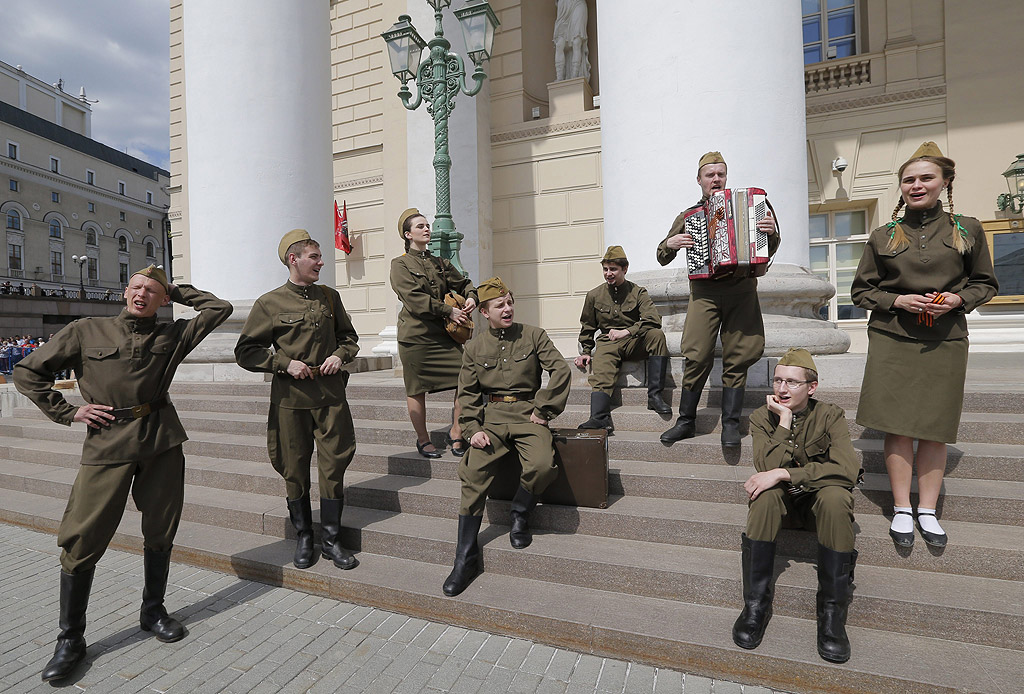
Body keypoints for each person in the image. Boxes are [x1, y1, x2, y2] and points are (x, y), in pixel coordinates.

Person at [14, 265, 232, 682]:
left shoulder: (173, 335)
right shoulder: (86, 330)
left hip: (161, 441)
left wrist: (175, 289)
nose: (142, 295)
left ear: (161, 298)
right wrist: (69, 411)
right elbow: (28, 372)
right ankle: (70, 639)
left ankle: (153, 611)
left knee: (161, 529)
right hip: (107, 442)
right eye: (136, 287)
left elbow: (217, 308)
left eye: (152, 290)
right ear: (123, 292)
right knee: (83, 535)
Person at [851, 142, 998, 549]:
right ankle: (901, 508)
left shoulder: (967, 229)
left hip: (945, 338)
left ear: (945, 182)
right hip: (892, 337)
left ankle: (927, 511)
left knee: (934, 427)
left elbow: (985, 282)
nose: (916, 186)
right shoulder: (884, 235)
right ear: (900, 188)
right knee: (897, 427)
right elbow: (862, 291)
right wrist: (896, 300)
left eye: (926, 178)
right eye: (908, 180)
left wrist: (958, 299)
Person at [235, 229, 361, 572]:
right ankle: (304, 536)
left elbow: (350, 338)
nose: (321, 263)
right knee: (294, 468)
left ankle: (333, 539)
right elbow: (245, 351)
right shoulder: (269, 303)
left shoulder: (330, 298)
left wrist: (340, 354)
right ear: (294, 259)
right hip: (291, 400)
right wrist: (283, 363)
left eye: (319, 257)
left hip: (331, 396)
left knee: (333, 466)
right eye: (314, 257)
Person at [442, 277, 571, 597]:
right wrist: (472, 430)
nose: (507, 308)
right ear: (484, 312)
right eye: (499, 305)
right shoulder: (474, 347)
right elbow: (468, 394)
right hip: (493, 419)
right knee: (472, 472)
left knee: (542, 465)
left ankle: (520, 513)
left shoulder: (534, 335)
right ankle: (465, 557)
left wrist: (544, 410)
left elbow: (561, 371)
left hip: (529, 413)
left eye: (510, 302)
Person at [732, 349, 860, 664]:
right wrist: (785, 421)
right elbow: (765, 465)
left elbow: (847, 469)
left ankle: (831, 611)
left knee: (836, 496)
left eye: (792, 382)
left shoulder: (830, 415)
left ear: (811, 387)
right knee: (764, 495)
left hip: (819, 506)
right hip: (782, 507)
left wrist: (787, 473)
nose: (782, 389)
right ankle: (756, 605)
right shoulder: (762, 417)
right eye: (777, 380)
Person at [658, 151, 780, 446]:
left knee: (738, 356)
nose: (716, 179)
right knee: (696, 354)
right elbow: (662, 256)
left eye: (720, 174)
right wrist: (669, 243)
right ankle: (686, 420)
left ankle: (730, 424)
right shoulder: (688, 216)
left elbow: (770, 246)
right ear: (699, 180)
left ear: (726, 177)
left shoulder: (754, 205)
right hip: (705, 292)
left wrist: (771, 233)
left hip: (742, 291)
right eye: (710, 175)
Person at [390, 208, 477, 458]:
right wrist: (448, 311)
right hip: (415, 337)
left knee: (466, 377)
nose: (427, 229)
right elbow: (414, 299)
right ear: (408, 235)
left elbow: (465, 284)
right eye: (420, 227)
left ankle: (457, 431)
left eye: (427, 225)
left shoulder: (440, 262)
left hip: (442, 336)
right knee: (416, 388)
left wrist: (472, 298)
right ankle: (423, 440)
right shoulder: (400, 265)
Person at [575, 245, 671, 432]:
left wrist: (628, 331)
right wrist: (586, 351)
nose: (608, 273)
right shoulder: (594, 295)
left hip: (633, 341)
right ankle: (600, 418)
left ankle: (655, 397)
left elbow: (653, 320)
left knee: (656, 335)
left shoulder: (637, 292)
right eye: (605, 269)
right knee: (602, 367)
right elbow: (588, 326)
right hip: (608, 343)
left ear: (624, 269)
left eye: (613, 269)